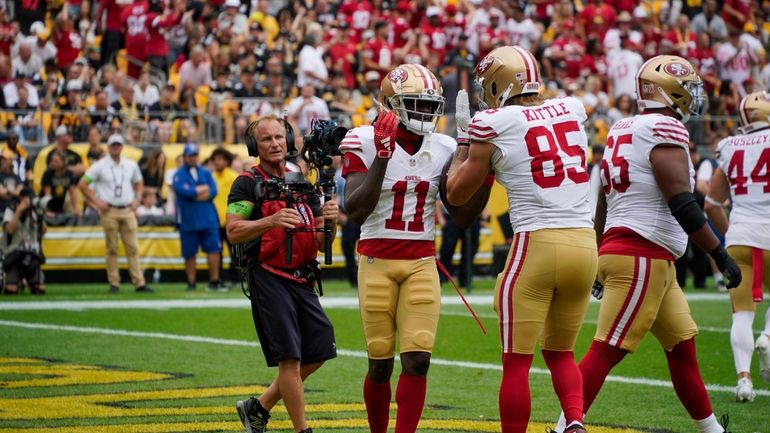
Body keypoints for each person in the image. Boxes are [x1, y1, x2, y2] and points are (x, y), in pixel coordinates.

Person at [553, 55, 741, 433]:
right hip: (642, 252)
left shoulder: (623, 127)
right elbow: (683, 203)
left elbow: (605, 198)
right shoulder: (664, 129)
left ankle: (712, 430)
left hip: (635, 251)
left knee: (683, 349)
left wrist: (598, 246)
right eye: (686, 89)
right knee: (607, 348)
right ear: (669, 91)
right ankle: (564, 427)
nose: (691, 96)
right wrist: (718, 252)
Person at [445, 46, 596, 433]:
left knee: (516, 361)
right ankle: (575, 423)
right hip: (584, 243)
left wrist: (464, 140)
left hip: (537, 244)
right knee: (562, 352)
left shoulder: (496, 121)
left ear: (499, 83)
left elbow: (457, 194)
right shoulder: (572, 108)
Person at [341, 64, 489, 433]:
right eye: (415, 104)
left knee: (419, 358)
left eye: (429, 105)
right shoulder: (362, 139)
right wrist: (384, 155)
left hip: (421, 259)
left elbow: (463, 216)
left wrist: (480, 164)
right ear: (390, 105)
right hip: (376, 259)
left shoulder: (444, 147)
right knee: (380, 361)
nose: (425, 113)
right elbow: (356, 209)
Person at [227, 115, 338, 433]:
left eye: (279, 137)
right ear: (255, 146)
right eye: (266, 139)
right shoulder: (247, 183)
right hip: (268, 275)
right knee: (290, 359)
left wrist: (330, 220)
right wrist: (270, 222)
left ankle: (257, 407)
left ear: (288, 141)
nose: (274, 143)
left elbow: (320, 241)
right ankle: (302, 430)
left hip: (303, 277)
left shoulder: (300, 179)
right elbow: (234, 232)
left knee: (319, 350)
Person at [704, 91, 770, 402]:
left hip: (740, 236)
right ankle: (768, 337)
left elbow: (711, 204)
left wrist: (734, 234)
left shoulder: (730, 147)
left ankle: (743, 381)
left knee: (741, 314)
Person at [78, 134, 152, 294]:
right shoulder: (99, 166)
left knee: (133, 247)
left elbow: (139, 182)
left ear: (122, 147)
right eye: (113, 145)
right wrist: (97, 203)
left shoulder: (130, 165)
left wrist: (137, 199)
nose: (116, 148)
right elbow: (82, 184)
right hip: (109, 210)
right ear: (109, 147)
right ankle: (114, 282)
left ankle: (139, 282)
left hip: (127, 209)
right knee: (111, 248)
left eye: (118, 145)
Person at [172, 143, 223, 291]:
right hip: (188, 220)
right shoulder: (179, 174)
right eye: (190, 155)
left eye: (195, 155)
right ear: (184, 157)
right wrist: (200, 190)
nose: (192, 158)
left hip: (208, 219)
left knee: (213, 249)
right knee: (189, 253)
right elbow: (183, 192)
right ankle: (191, 282)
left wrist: (194, 192)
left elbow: (213, 191)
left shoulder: (205, 172)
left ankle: (214, 280)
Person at [1, 188, 45, 295]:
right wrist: (19, 211)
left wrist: (39, 212)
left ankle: (26, 281)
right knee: (11, 290)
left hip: (30, 255)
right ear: (21, 199)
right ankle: (15, 280)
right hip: (13, 255)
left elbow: (43, 230)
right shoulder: (11, 210)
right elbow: (10, 230)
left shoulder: (34, 212)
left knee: (39, 289)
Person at [210, 147, 238, 286]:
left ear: (227, 161)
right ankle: (219, 279)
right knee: (217, 252)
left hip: (230, 221)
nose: (217, 162)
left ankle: (236, 278)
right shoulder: (211, 177)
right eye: (215, 159)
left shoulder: (233, 176)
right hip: (215, 222)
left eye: (220, 159)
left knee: (236, 252)